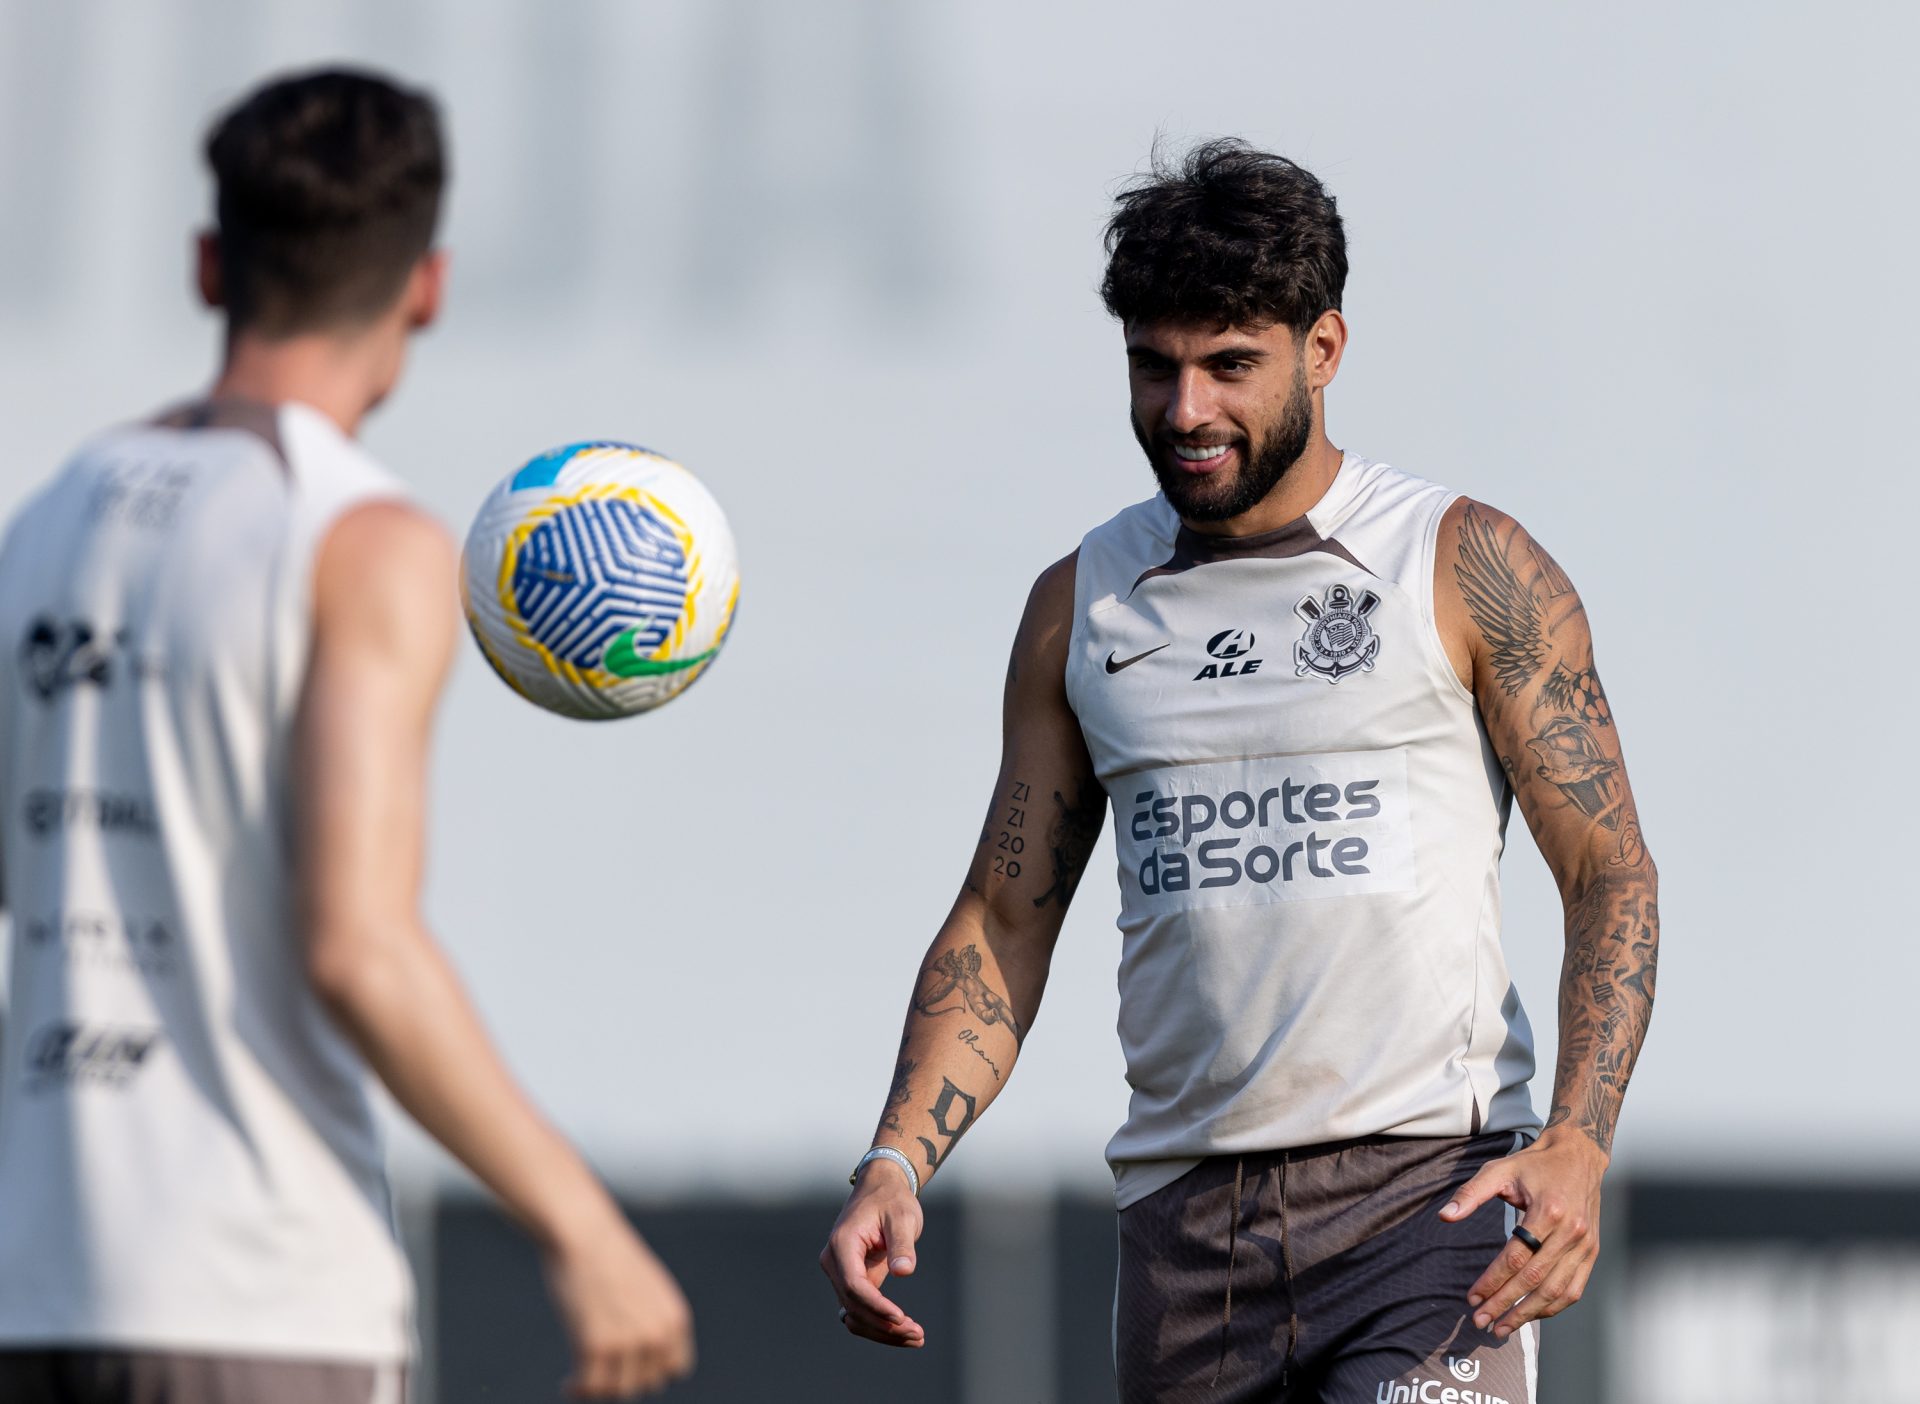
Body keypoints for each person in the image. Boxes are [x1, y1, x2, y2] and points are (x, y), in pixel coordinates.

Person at [821, 140, 1658, 1403]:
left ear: (1323, 350)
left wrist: (1582, 1138)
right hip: (1185, 1242)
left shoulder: (1464, 563)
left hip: (1426, 1210)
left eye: (1229, 366)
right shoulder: (1081, 606)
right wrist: (894, 1163)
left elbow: (1610, 871)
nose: (1187, 410)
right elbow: (1002, 921)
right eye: (1153, 368)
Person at [0, 68, 694, 1402]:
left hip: (37, 1288)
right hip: (259, 1294)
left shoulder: (45, 523)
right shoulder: (361, 544)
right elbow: (357, 945)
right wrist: (582, 1224)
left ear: (210, 265)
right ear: (425, 287)